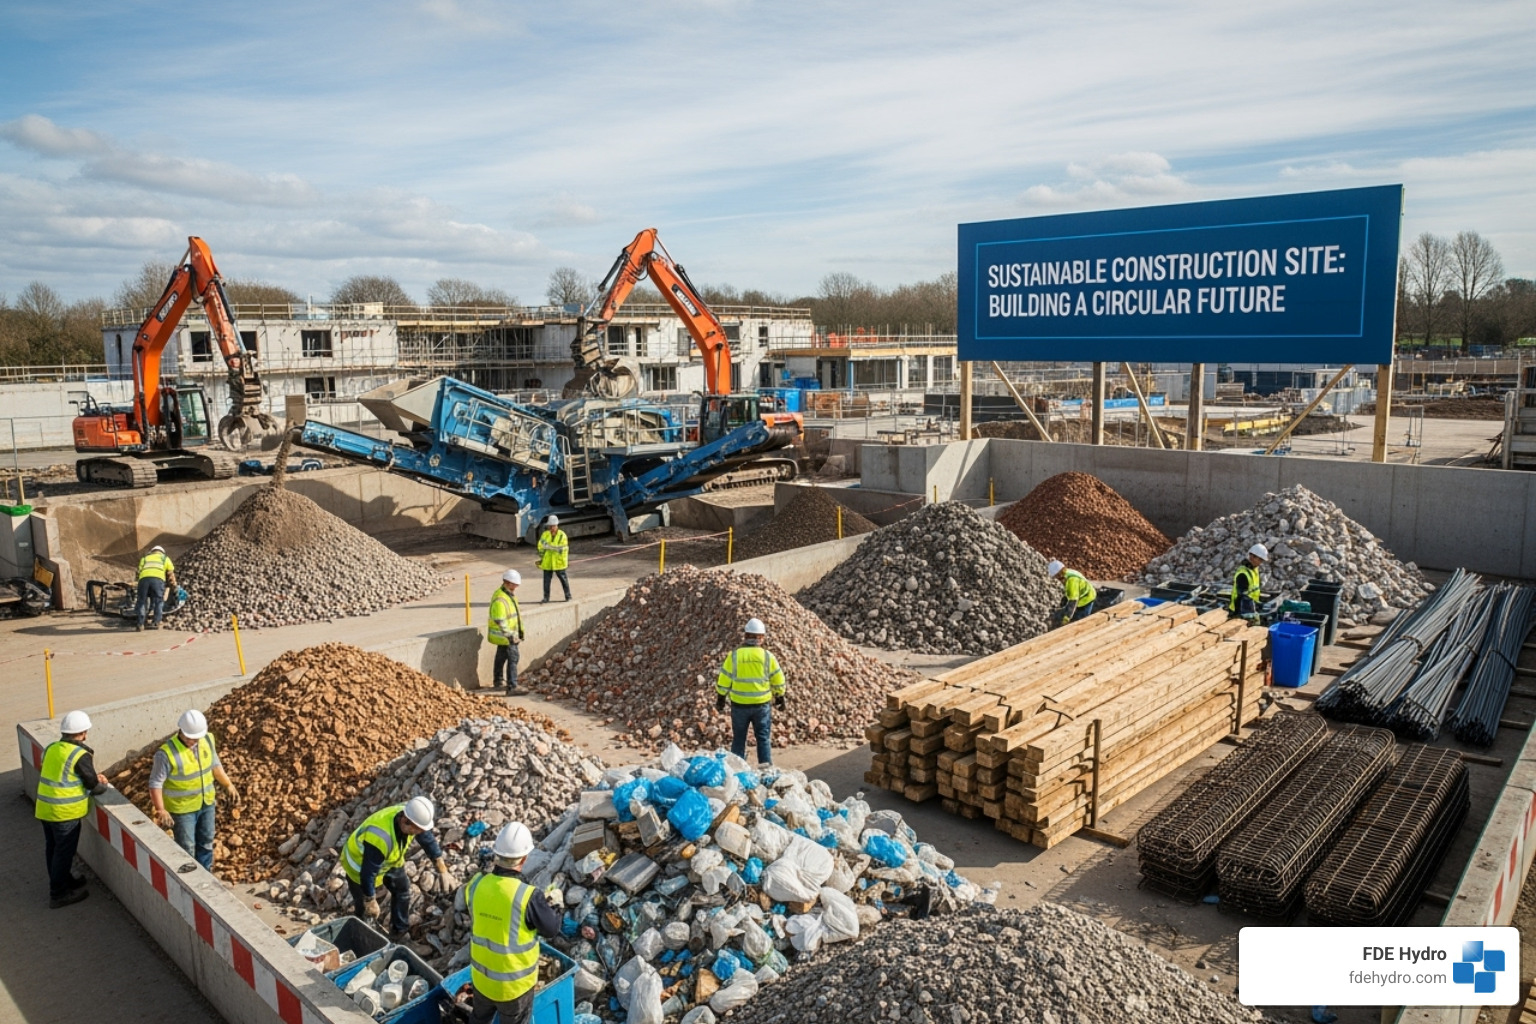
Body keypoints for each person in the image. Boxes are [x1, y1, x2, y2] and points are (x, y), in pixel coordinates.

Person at [462, 822, 563, 1024]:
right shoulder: (528, 896)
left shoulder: (475, 884)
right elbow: (551, 929)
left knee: (479, 1019)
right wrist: (557, 907)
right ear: (524, 858)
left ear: (496, 855)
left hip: (482, 979)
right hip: (513, 988)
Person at [343, 797, 454, 941]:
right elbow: (368, 873)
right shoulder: (380, 837)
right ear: (405, 821)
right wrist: (370, 899)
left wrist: (442, 868)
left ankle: (399, 932)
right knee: (365, 910)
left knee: (402, 891)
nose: (418, 833)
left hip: (390, 860)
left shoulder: (411, 814)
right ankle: (362, 938)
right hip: (358, 866)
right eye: (416, 830)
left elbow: (427, 840)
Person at [36, 710, 111, 908]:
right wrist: (102, 783)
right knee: (64, 852)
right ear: (83, 732)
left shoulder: (51, 748)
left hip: (46, 808)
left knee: (53, 848)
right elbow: (93, 785)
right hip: (65, 812)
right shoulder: (79, 754)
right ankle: (58, 894)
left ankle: (64, 880)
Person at [149, 709, 239, 870]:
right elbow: (156, 783)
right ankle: (188, 884)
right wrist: (161, 810)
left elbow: (215, 765)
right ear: (181, 731)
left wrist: (228, 785)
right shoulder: (166, 753)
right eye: (191, 738)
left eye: (197, 737)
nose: (195, 741)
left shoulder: (206, 740)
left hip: (206, 803)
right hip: (182, 810)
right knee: (187, 848)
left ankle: (205, 874)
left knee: (206, 841)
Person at [715, 617, 786, 766]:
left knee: (739, 739)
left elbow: (725, 678)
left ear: (746, 635)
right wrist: (780, 696)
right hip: (762, 706)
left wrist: (721, 697)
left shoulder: (734, 656)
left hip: (739, 705)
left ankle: (737, 770)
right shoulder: (767, 657)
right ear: (762, 637)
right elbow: (777, 678)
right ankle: (766, 771)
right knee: (763, 738)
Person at [488, 570, 526, 695]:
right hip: (507, 635)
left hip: (506, 635)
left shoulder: (507, 594)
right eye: (515, 584)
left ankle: (498, 681)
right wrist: (510, 635)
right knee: (513, 658)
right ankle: (512, 686)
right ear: (508, 583)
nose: (517, 586)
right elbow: (500, 620)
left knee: (501, 656)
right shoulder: (501, 598)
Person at [135, 544, 177, 631]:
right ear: (162, 552)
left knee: (142, 601)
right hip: (158, 580)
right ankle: (156, 622)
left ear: (152, 552)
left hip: (143, 580)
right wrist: (174, 586)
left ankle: (140, 623)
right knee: (159, 601)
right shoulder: (165, 558)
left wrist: (138, 583)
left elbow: (138, 572)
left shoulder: (145, 558)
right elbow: (170, 575)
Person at [1047, 560, 1098, 627]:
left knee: (1081, 621)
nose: (1056, 579)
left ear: (1059, 574)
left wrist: (1067, 618)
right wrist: (1063, 602)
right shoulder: (1067, 573)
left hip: (1087, 598)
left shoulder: (1072, 581)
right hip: (1082, 595)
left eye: (1056, 577)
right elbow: (1070, 592)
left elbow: (1073, 602)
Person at [1230, 543, 1268, 623]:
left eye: (1262, 560)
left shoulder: (1254, 569)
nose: (1260, 562)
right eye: (1260, 559)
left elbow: (1252, 591)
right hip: (1240, 610)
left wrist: (1257, 603)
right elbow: (1243, 597)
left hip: (1250, 606)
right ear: (1252, 557)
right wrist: (1251, 615)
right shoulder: (1243, 574)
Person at [537, 515, 570, 603]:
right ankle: (546, 598)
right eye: (550, 526)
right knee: (546, 582)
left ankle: (568, 596)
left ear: (557, 525)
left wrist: (550, 547)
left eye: (553, 526)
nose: (551, 528)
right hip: (548, 562)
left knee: (563, 579)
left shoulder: (562, 535)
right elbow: (541, 545)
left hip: (559, 562)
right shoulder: (545, 535)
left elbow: (562, 548)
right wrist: (542, 555)